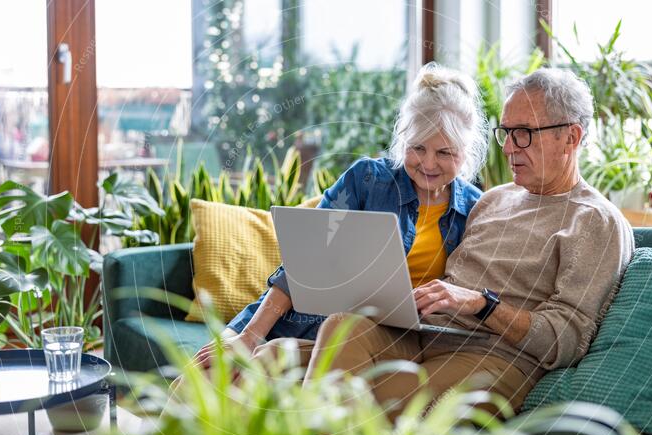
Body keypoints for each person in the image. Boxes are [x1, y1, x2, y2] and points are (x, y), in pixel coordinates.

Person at [303, 68, 635, 418]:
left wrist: (482, 304)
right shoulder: (492, 200)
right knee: (343, 326)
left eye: (523, 134)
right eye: (506, 132)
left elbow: (567, 340)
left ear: (571, 137)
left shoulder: (595, 220)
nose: (508, 148)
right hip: (423, 334)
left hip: (495, 355)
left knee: (379, 400)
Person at [184, 62, 489, 375]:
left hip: (375, 340)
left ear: (466, 152)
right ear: (403, 140)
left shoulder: (476, 210)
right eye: (418, 147)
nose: (427, 163)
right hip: (300, 317)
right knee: (199, 379)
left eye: (444, 153)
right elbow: (303, 262)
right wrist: (250, 335)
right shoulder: (367, 179)